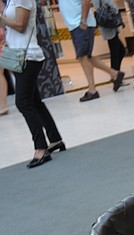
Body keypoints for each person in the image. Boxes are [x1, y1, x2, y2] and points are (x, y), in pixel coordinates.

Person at [1, 0, 66, 168]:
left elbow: (21, 25)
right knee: (35, 101)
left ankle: (40, 147)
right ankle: (55, 139)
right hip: (20, 55)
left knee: (23, 102)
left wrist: (1, 19)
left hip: (28, 56)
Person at [57, 0, 124, 101]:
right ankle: (114, 74)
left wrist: (83, 20)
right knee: (85, 57)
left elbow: (86, 1)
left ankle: (93, 89)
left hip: (81, 24)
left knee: (83, 56)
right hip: (75, 25)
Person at [92, 0, 127, 83]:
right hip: (109, 24)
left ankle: (116, 74)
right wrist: (116, 13)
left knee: (119, 50)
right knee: (117, 51)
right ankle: (115, 76)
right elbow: (112, 6)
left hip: (107, 24)